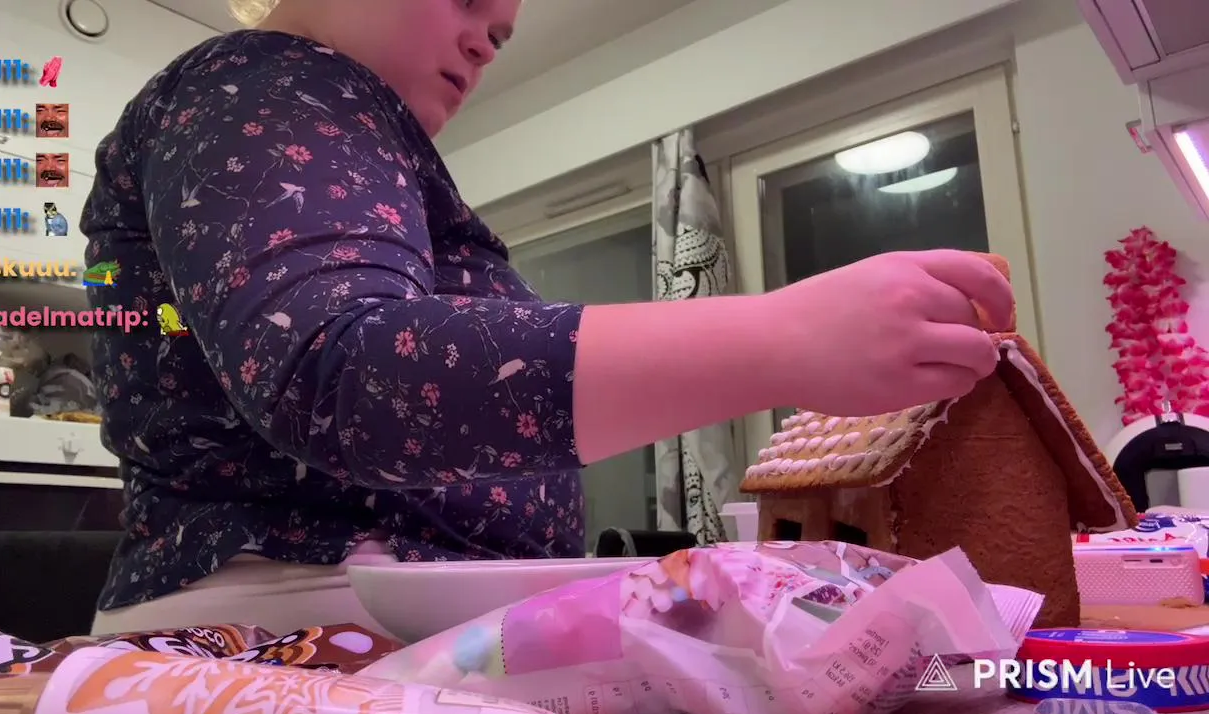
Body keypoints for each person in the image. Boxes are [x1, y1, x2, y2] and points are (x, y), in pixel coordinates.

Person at [81, 0, 1014, 636]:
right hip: (278, 636)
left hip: (363, 622)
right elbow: (338, 370)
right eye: (467, 0)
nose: (489, 42)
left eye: (501, 30)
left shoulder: (329, 123)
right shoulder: (260, 77)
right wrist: (787, 339)